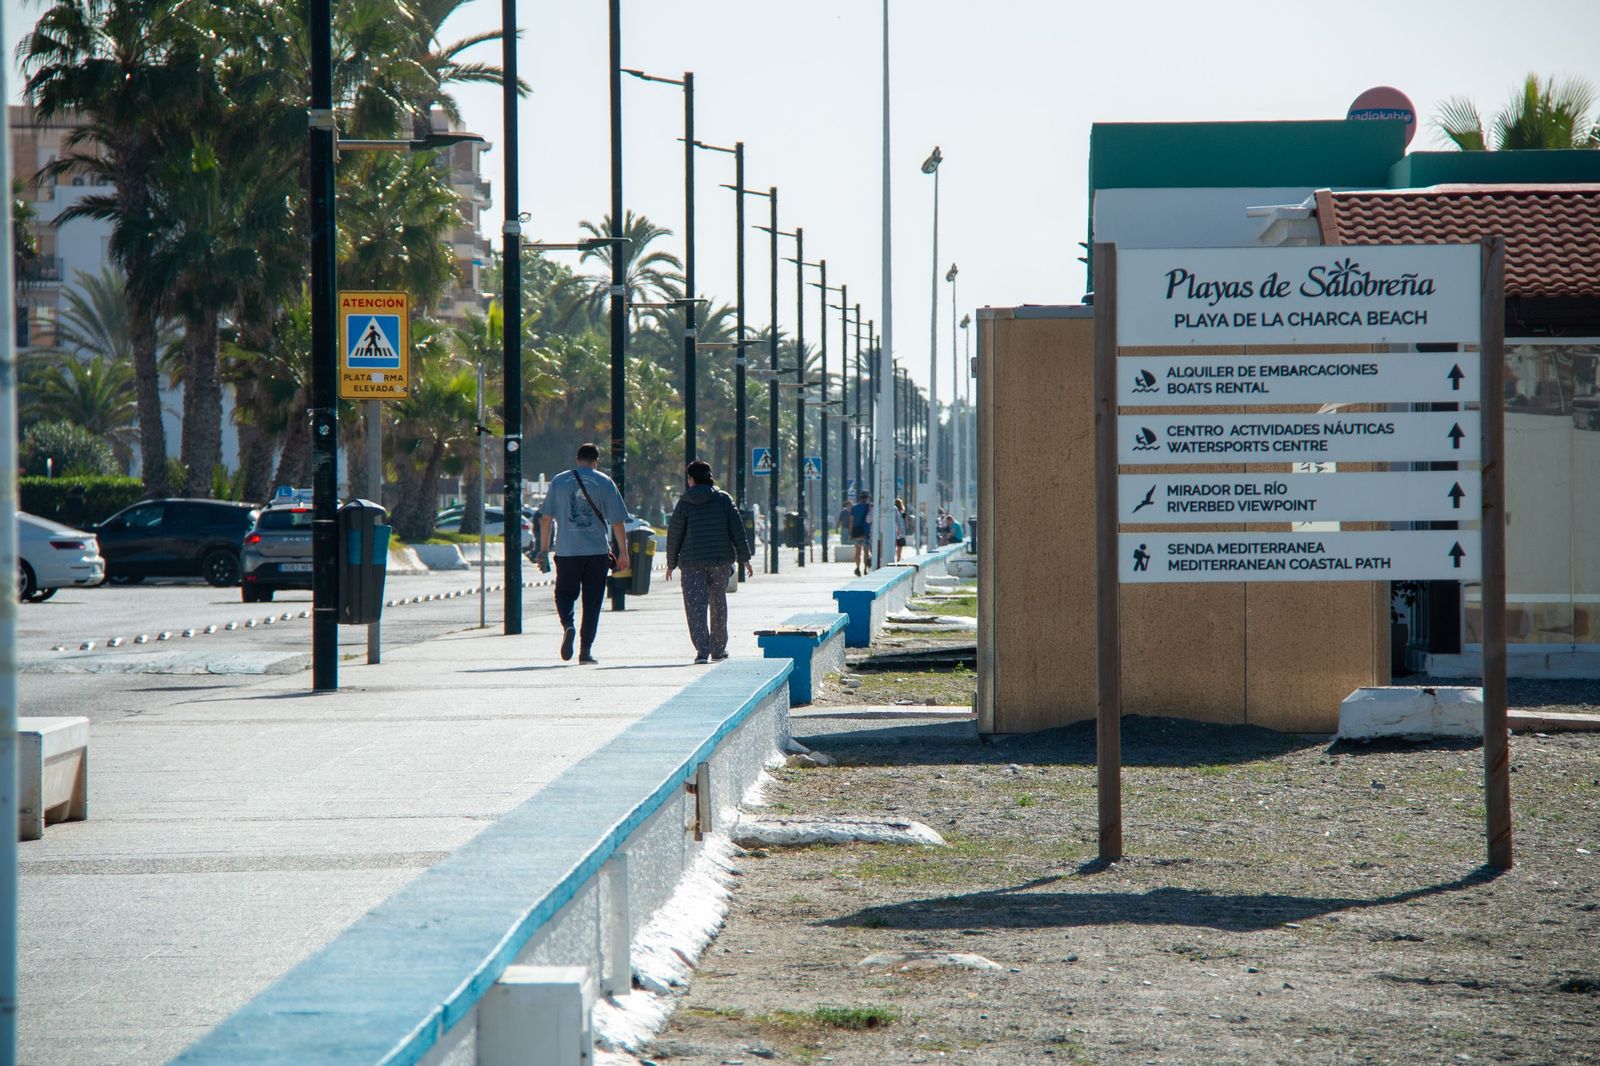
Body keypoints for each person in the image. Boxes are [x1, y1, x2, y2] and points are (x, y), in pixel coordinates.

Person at [533, 442, 629, 664]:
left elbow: (546, 518)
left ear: (577, 459)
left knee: (564, 594)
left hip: (567, 552)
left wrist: (544, 550)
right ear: (596, 461)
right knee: (592, 601)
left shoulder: (559, 481)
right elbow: (617, 521)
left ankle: (568, 624)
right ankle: (585, 651)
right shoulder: (605, 482)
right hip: (597, 553)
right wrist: (623, 553)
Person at [664, 461, 754, 664]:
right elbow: (737, 530)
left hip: (691, 563)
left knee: (695, 606)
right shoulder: (723, 499)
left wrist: (671, 563)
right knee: (718, 603)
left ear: (691, 479)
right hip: (720, 562)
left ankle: (702, 651)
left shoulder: (684, 502)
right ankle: (718, 649)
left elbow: (674, 534)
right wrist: (745, 558)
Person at [848, 491, 873, 575]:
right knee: (866, 552)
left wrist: (850, 533)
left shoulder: (854, 508)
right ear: (868, 498)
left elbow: (851, 521)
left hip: (857, 533)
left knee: (858, 552)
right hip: (867, 533)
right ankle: (865, 569)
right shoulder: (870, 507)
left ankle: (858, 568)